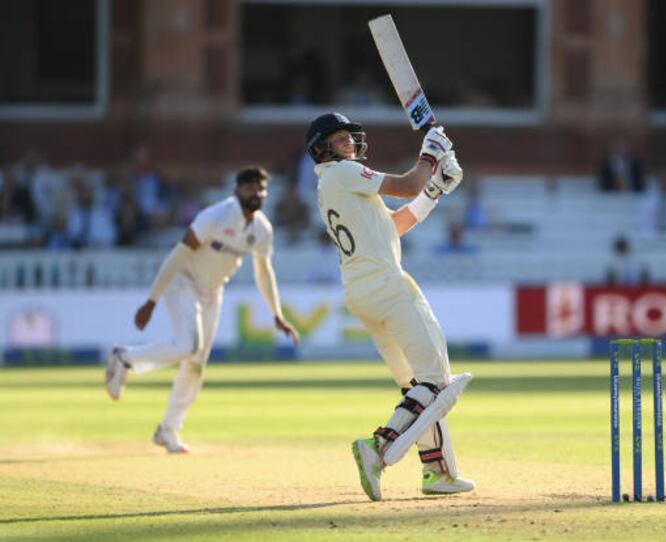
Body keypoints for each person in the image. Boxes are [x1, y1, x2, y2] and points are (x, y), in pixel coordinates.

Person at [307, 112, 474, 501]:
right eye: (338, 137)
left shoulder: (337, 184)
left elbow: (395, 224)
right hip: (388, 287)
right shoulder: (342, 174)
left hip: (363, 293)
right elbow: (405, 184)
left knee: (416, 386)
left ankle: (438, 471)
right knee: (436, 383)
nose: (348, 140)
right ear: (321, 148)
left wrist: (434, 190)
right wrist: (430, 154)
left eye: (349, 134)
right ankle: (377, 449)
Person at [105, 166, 299, 453]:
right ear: (237, 192)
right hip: (182, 283)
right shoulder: (216, 216)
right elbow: (178, 255)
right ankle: (125, 358)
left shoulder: (262, 229)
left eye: (261, 189)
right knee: (187, 345)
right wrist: (152, 300)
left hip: (212, 292)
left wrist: (277, 315)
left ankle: (168, 430)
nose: (256, 194)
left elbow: (263, 273)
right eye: (249, 188)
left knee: (195, 364)